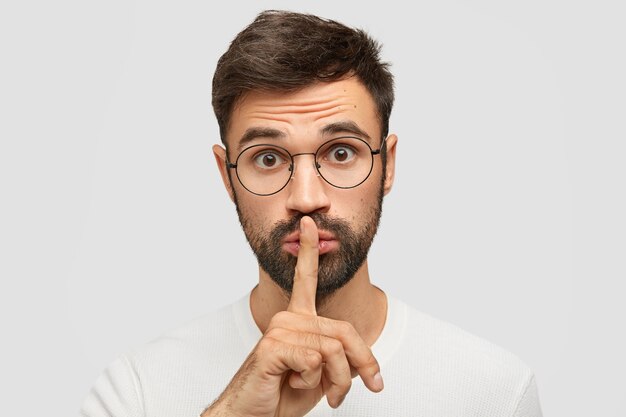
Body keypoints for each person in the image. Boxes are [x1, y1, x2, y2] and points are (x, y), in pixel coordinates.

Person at [81, 10, 543, 417]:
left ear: (388, 166)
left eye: (341, 152)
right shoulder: (135, 392)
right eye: (267, 158)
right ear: (227, 177)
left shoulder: (493, 392)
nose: (306, 198)